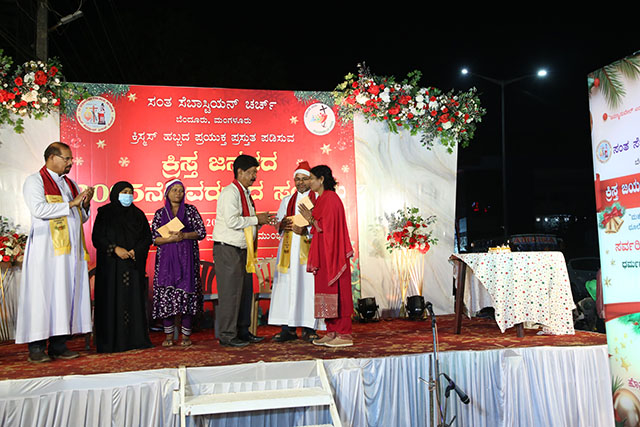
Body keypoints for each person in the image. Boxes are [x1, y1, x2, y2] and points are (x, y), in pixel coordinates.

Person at [15, 141, 94, 362]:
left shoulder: (71, 184)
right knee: (43, 295)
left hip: (69, 253)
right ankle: (37, 347)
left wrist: (85, 204)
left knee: (64, 295)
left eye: (71, 159)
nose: (70, 163)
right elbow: (38, 209)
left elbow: (80, 218)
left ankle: (59, 345)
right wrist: (72, 204)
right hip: (46, 252)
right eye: (66, 158)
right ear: (51, 157)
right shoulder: (35, 181)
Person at [212, 154, 273, 347]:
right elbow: (232, 221)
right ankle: (227, 335)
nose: (255, 176)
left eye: (256, 172)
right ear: (240, 172)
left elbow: (246, 222)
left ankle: (243, 331)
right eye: (252, 172)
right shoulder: (230, 193)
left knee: (245, 291)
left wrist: (261, 222)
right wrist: (256, 219)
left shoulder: (245, 193)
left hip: (244, 249)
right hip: (228, 250)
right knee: (230, 293)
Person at [92, 181, 153, 353]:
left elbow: (146, 238)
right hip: (111, 268)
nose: (128, 195)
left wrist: (136, 251)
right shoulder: (104, 213)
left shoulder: (138, 214)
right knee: (112, 302)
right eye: (124, 192)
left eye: (130, 192)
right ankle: (111, 342)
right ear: (115, 194)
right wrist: (115, 249)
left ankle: (135, 340)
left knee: (132, 301)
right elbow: (97, 238)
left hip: (133, 267)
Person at [299, 165, 354, 348]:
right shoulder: (321, 199)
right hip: (324, 252)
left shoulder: (330, 198)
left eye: (311, 178)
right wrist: (311, 220)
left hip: (333, 253)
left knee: (338, 290)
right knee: (325, 289)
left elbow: (327, 227)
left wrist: (311, 219)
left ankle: (344, 334)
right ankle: (332, 331)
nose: (309, 182)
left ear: (321, 179)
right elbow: (319, 226)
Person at [268, 161, 323, 342]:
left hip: (309, 250)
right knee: (287, 287)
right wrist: (281, 224)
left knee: (308, 288)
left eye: (304, 179)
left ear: (311, 180)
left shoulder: (317, 199)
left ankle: (309, 328)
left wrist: (306, 230)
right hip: (288, 251)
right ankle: (288, 329)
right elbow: (278, 222)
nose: (300, 183)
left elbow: (322, 224)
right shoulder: (287, 200)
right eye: (297, 179)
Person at [151, 179, 206, 347]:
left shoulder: (191, 210)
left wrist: (184, 236)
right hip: (166, 265)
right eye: (174, 190)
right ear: (167, 193)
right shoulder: (160, 213)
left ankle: (186, 336)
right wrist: (170, 239)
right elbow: (154, 238)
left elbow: (201, 232)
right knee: (167, 297)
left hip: (187, 261)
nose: (178, 193)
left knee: (186, 298)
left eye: (181, 190)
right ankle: (168, 337)